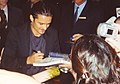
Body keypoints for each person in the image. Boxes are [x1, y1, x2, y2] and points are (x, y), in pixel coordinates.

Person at [1, 2, 60, 77]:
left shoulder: (52, 34)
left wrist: (54, 67)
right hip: (21, 78)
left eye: (48, 24)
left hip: (45, 78)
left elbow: (57, 57)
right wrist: (27, 60)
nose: (45, 28)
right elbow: (6, 62)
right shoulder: (16, 33)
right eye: (41, 24)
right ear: (31, 18)